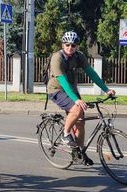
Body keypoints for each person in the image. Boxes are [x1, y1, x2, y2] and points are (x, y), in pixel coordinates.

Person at [47, 31, 116, 165]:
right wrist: (76, 100)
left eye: (73, 45)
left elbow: (91, 73)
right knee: (77, 110)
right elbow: (62, 81)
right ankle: (65, 134)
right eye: (67, 44)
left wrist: (106, 89)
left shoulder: (79, 56)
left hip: (71, 90)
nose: (70, 47)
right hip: (57, 90)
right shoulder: (57, 58)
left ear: (77, 46)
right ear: (63, 44)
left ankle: (79, 153)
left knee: (80, 122)